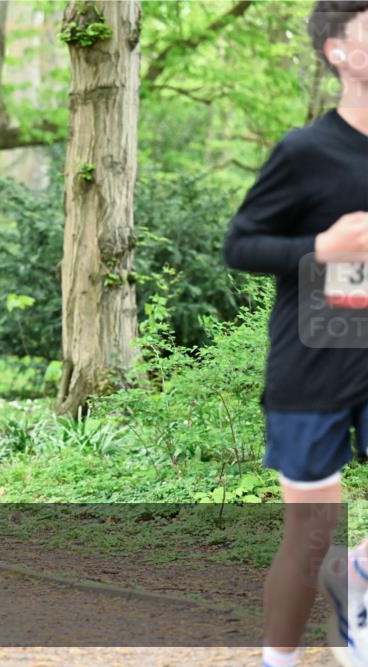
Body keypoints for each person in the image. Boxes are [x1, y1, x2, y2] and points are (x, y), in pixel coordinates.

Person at [222, 4, 368, 666]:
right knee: (311, 538)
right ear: (338, 51)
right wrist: (321, 248)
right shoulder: (305, 151)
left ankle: (357, 572)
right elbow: (241, 245)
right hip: (315, 359)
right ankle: (277, 659)